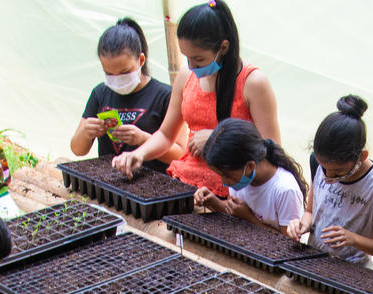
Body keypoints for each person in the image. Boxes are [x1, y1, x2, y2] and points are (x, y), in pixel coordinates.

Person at [111, 0, 280, 197]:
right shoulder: (185, 76)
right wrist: (138, 154)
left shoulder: (253, 83)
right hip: (186, 183)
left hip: (232, 188)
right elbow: (166, 134)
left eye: (199, 59)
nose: (192, 66)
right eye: (187, 58)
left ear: (223, 47)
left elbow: (270, 148)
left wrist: (218, 138)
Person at [286, 94, 373, 266]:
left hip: (353, 269)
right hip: (314, 260)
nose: (328, 177)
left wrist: (354, 239)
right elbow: (310, 212)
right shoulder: (318, 163)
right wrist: (302, 225)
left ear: (361, 156)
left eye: (337, 172)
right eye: (324, 169)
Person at [70, 18, 184, 172]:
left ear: (141, 60)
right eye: (109, 73)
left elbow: (180, 154)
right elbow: (77, 149)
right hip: (110, 184)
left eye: (124, 72)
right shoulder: (100, 93)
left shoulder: (165, 96)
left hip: (153, 186)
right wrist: (86, 133)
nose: (117, 79)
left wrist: (143, 139)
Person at [196, 117, 306, 232]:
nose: (224, 182)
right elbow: (236, 210)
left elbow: (289, 243)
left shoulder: (285, 190)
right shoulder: (242, 177)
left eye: (227, 176)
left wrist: (249, 218)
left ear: (249, 167)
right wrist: (214, 202)